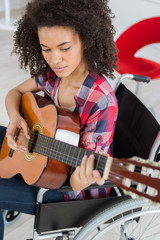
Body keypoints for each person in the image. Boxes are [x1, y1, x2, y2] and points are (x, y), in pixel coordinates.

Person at [0, 0, 118, 238]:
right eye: (46, 49)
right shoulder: (54, 76)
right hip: (45, 158)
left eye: (64, 48)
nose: (55, 59)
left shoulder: (102, 101)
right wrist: (15, 118)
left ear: (86, 39)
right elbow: (14, 93)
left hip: (64, 191)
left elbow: (76, 185)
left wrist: (84, 176)